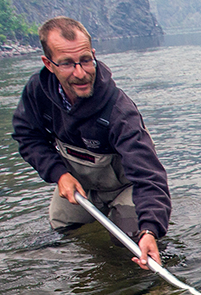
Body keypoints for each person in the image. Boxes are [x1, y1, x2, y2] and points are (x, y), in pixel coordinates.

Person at [12, 16, 171, 270]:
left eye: (86, 60)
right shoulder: (37, 92)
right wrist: (59, 173)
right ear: (48, 64)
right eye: (66, 64)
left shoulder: (119, 111)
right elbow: (27, 136)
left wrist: (151, 229)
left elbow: (149, 175)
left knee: (130, 244)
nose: (80, 72)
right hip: (79, 186)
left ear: (93, 54)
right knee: (66, 233)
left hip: (125, 187)